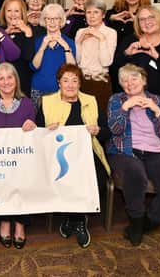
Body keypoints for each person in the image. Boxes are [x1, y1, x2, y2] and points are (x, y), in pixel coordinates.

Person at [36, 64, 110, 249]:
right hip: (56, 153)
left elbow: (107, 132)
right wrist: (46, 131)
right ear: (58, 83)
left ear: (80, 84)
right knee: (64, 177)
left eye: (75, 81)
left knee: (98, 177)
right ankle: (76, 219)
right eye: (65, 80)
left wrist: (98, 130)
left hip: (87, 151)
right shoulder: (47, 102)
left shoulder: (90, 101)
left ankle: (75, 219)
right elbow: (36, 133)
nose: (70, 85)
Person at [107, 64, 160, 246]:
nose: (129, 83)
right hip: (126, 150)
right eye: (124, 80)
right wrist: (125, 108)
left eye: (134, 78)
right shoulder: (117, 100)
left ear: (144, 80)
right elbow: (115, 129)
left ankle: (144, 223)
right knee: (136, 175)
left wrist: (157, 111)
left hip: (156, 151)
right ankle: (136, 218)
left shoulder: (157, 100)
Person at [113, 5, 160, 164]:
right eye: (142, 19)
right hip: (137, 104)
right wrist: (127, 54)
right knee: (141, 142)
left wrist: (157, 56)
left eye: (150, 17)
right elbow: (115, 67)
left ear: (159, 19)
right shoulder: (131, 40)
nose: (147, 22)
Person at [0, 63, 36, 249]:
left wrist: (32, 126)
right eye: (1, 78)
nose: (6, 82)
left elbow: (34, 133)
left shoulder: (26, 103)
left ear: (16, 80)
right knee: (2, 180)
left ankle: (19, 223)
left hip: (22, 161)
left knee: (23, 179)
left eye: (9, 77)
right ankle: (4, 220)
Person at [74, 0, 117, 111]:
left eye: (96, 12)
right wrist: (79, 42)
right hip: (82, 81)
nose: (91, 16)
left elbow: (106, 62)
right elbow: (76, 61)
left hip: (101, 81)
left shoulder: (110, 33)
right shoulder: (80, 32)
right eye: (88, 12)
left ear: (103, 15)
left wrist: (101, 39)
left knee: (100, 120)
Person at [30, 3, 76, 104]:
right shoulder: (37, 41)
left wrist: (66, 47)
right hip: (38, 90)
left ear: (61, 21)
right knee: (39, 120)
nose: (52, 22)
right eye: (48, 18)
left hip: (61, 91)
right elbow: (34, 66)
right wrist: (43, 46)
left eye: (56, 18)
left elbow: (72, 69)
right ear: (44, 21)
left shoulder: (69, 42)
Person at [0, 0, 41, 96]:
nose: (12, 14)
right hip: (1, 82)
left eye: (16, 11)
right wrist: (5, 34)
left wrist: (28, 33)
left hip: (22, 82)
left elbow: (28, 56)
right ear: (3, 12)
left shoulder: (30, 30)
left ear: (22, 13)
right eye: (9, 10)